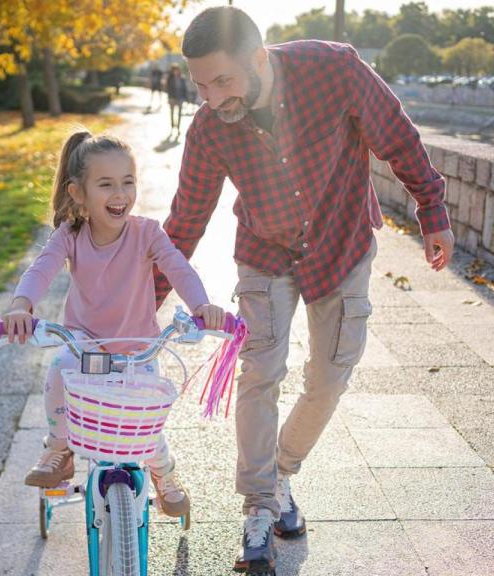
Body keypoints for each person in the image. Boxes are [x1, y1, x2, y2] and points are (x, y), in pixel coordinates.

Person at [153, 6, 455, 573]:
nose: (213, 97)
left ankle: (281, 473)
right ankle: (259, 508)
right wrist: (142, 299)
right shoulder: (209, 125)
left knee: (330, 377)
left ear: (259, 58)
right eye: (200, 84)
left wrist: (431, 209)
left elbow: (396, 134)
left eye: (223, 80)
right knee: (260, 371)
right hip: (264, 251)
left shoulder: (332, 71)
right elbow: (186, 219)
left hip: (342, 246)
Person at [4, 130, 227, 518]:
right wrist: (22, 306)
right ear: (78, 193)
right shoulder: (71, 235)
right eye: (105, 184)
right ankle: (60, 449)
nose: (120, 194)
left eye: (127, 182)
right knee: (58, 369)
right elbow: (41, 269)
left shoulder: (146, 233)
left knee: (144, 424)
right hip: (84, 345)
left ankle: (164, 473)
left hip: (138, 347)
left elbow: (178, 267)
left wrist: (202, 305)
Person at [166, 65, 189, 134]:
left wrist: (186, 99)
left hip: (180, 98)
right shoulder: (170, 79)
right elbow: (168, 89)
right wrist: (169, 98)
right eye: (174, 70)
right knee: (172, 113)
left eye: (177, 70)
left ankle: (178, 128)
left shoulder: (182, 78)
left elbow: (185, 89)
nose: (176, 71)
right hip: (172, 98)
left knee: (179, 114)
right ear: (172, 71)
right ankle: (172, 127)